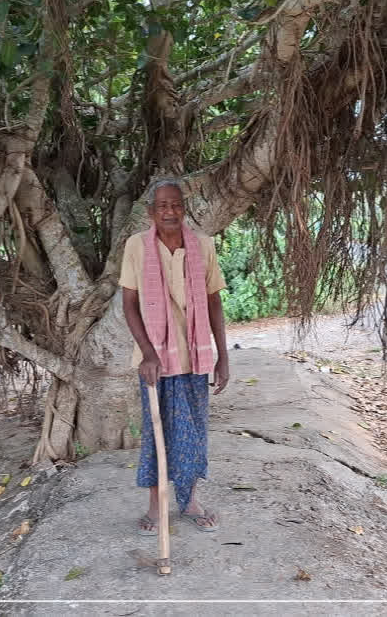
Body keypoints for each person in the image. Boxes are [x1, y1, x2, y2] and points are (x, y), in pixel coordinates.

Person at [119, 178, 229, 536]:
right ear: (151, 212)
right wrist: (148, 353)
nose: (170, 211)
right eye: (163, 206)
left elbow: (214, 302)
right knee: (156, 433)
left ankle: (191, 501)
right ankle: (156, 505)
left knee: (193, 433)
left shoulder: (203, 246)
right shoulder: (136, 246)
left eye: (176, 205)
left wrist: (222, 356)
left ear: (185, 209)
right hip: (154, 362)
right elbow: (130, 303)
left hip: (194, 358)